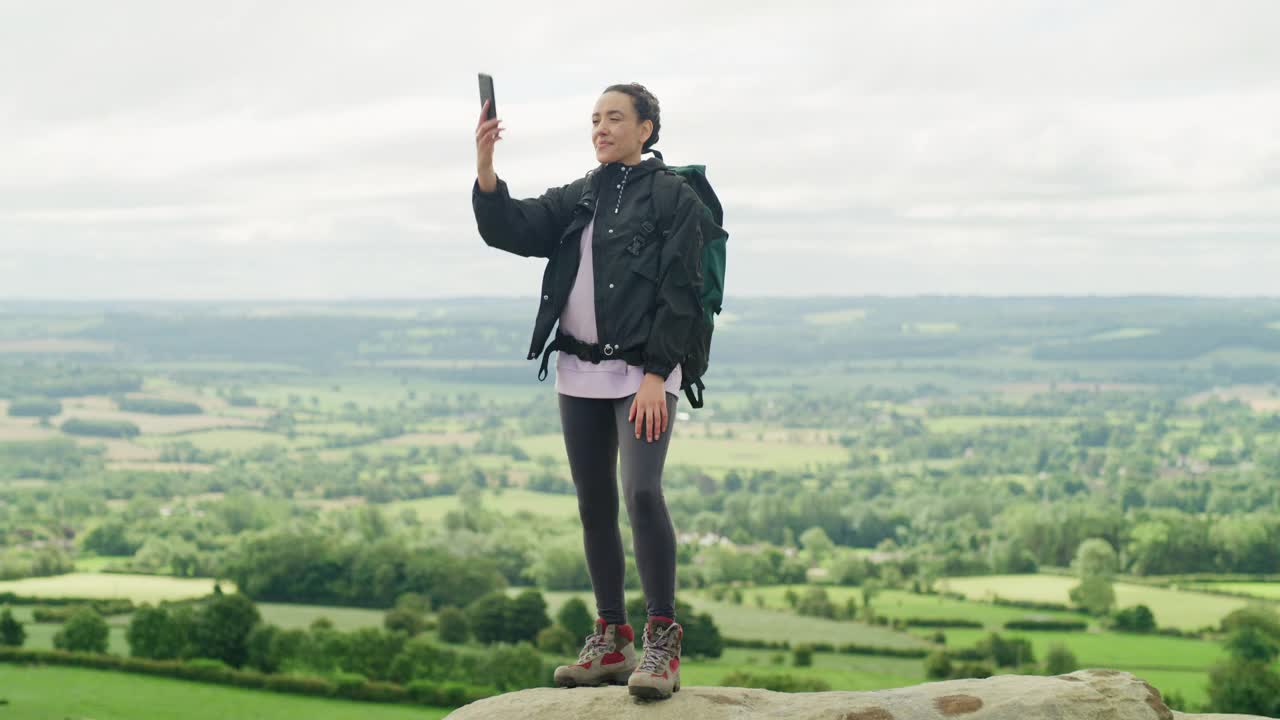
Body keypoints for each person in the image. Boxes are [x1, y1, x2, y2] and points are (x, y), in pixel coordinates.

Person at [473, 82, 707, 700]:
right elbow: (513, 228)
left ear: (646, 129)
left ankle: (661, 640)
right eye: (595, 120)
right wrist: (486, 169)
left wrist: (658, 373)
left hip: (644, 373)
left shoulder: (672, 197)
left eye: (614, 118)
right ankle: (612, 635)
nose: (600, 128)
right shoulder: (581, 195)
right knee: (593, 502)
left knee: (642, 492)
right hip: (579, 371)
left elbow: (682, 289)